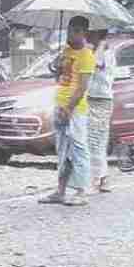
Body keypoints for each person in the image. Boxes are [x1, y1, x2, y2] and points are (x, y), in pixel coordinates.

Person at [39, 16, 95, 207]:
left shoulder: (87, 56)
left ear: (84, 33)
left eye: (77, 30)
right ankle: (60, 190)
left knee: (79, 149)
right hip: (59, 103)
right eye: (70, 30)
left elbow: (82, 87)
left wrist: (69, 108)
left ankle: (81, 191)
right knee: (62, 150)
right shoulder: (66, 51)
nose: (72, 34)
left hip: (75, 109)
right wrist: (57, 65)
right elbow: (60, 77)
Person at [86, 29, 114, 193]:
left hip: (100, 100)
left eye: (91, 33)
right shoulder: (94, 50)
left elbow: (97, 63)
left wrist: (101, 44)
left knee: (95, 140)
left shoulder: (104, 52)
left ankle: (96, 180)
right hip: (91, 98)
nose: (88, 36)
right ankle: (103, 179)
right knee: (95, 141)